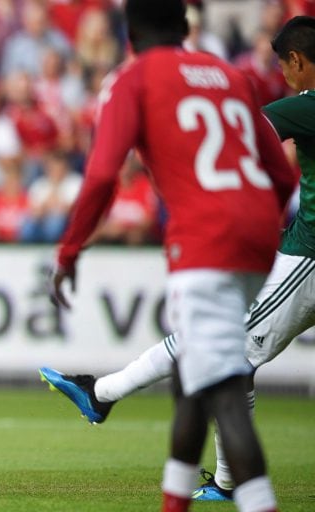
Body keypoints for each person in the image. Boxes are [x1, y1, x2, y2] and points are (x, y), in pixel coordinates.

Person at [40, 14, 315, 504]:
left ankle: (235, 489)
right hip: (259, 239)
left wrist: (70, 249)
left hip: (241, 241)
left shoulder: (134, 78)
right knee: (203, 366)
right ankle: (105, 399)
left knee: (225, 371)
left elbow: (104, 174)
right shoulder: (226, 75)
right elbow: (280, 176)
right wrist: (260, 221)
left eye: (286, 65)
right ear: (185, 26)